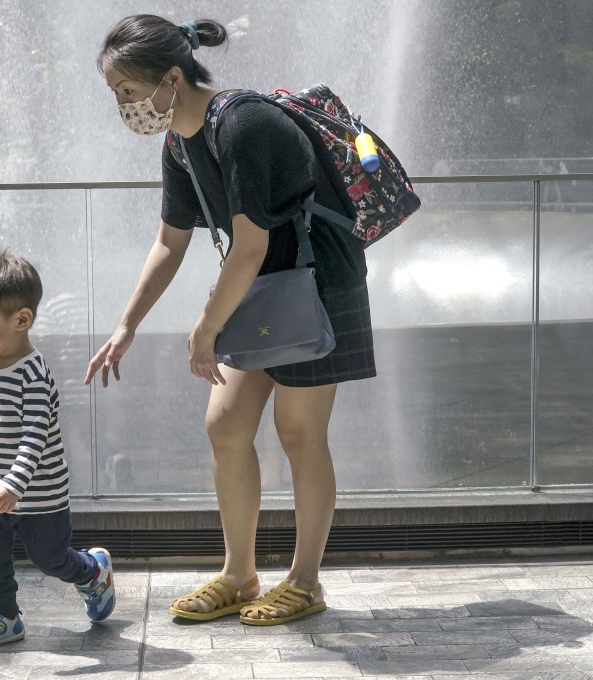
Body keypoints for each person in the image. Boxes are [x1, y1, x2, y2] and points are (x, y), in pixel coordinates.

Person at [87, 15, 377, 625]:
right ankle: (240, 574)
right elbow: (170, 242)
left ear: (171, 77)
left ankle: (304, 582)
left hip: (314, 285)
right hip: (262, 286)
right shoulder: (180, 140)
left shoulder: (244, 125)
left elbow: (247, 246)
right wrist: (127, 324)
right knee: (225, 425)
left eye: (127, 91)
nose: (122, 105)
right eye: (115, 93)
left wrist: (206, 328)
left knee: (299, 434)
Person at [0, 249, 115, 650]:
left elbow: (36, 435)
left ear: (21, 319)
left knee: (51, 560)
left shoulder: (32, 373)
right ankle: (4, 619)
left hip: (39, 496)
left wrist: (15, 484)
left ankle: (93, 572)